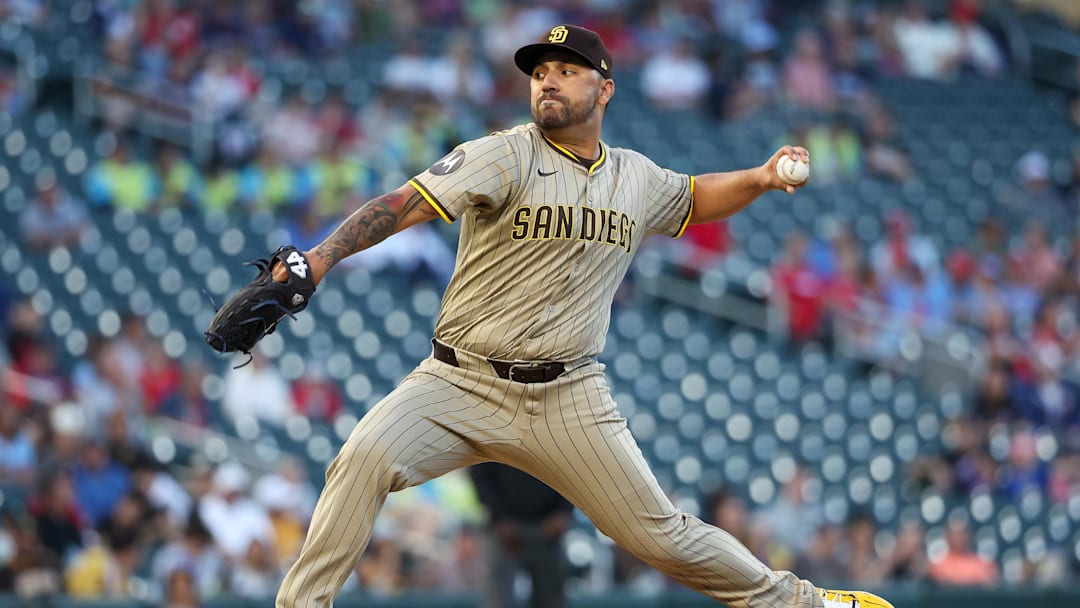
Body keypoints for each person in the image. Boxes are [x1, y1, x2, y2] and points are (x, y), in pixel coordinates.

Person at [269, 25, 892, 608]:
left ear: (605, 88)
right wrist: (322, 258)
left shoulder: (634, 177)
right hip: (458, 379)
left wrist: (757, 177)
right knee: (362, 458)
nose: (548, 80)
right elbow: (403, 204)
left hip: (568, 395)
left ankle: (803, 603)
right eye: (541, 71)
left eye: (568, 70)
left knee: (661, 537)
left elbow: (695, 197)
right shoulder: (504, 154)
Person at [469, 462, 573, 608]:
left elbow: (571, 471)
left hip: (548, 527)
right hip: (504, 530)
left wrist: (564, 511)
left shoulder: (560, 438)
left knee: (551, 599)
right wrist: (500, 517)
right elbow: (480, 474)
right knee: (498, 599)